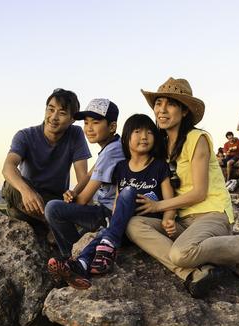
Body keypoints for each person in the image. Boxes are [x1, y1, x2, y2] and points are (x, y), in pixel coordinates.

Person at [126, 77, 239, 299]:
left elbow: (199, 192)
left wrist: (158, 206)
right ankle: (194, 273)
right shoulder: (161, 145)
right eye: (158, 103)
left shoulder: (196, 138)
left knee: (181, 254)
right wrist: (168, 216)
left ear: (184, 112)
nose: (162, 110)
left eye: (170, 104)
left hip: (212, 214)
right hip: (183, 221)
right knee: (134, 224)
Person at [48, 114, 175, 289]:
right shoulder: (122, 167)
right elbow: (117, 200)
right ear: (127, 138)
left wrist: (168, 219)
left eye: (149, 133)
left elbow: (170, 200)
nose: (144, 137)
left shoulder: (159, 166)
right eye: (137, 132)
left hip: (143, 222)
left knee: (128, 192)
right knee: (105, 233)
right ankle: (80, 265)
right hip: (120, 223)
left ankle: (103, 247)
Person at [44, 98, 124, 258]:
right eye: (86, 123)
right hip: (106, 212)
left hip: (108, 214)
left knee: (53, 209)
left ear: (112, 126)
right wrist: (73, 192)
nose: (89, 128)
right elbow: (89, 175)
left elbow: (83, 199)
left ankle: (73, 256)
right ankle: (79, 251)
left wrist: (71, 200)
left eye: (95, 122)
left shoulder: (111, 152)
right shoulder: (114, 146)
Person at [1, 88, 90, 224]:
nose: (53, 117)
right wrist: (26, 191)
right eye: (50, 109)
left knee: (83, 200)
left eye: (62, 113)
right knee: (10, 186)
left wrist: (77, 197)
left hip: (56, 200)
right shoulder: (25, 136)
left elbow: (83, 177)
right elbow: (8, 167)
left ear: (72, 119)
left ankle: (54, 223)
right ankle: (55, 224)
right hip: (28, 197)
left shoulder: (75, 134)